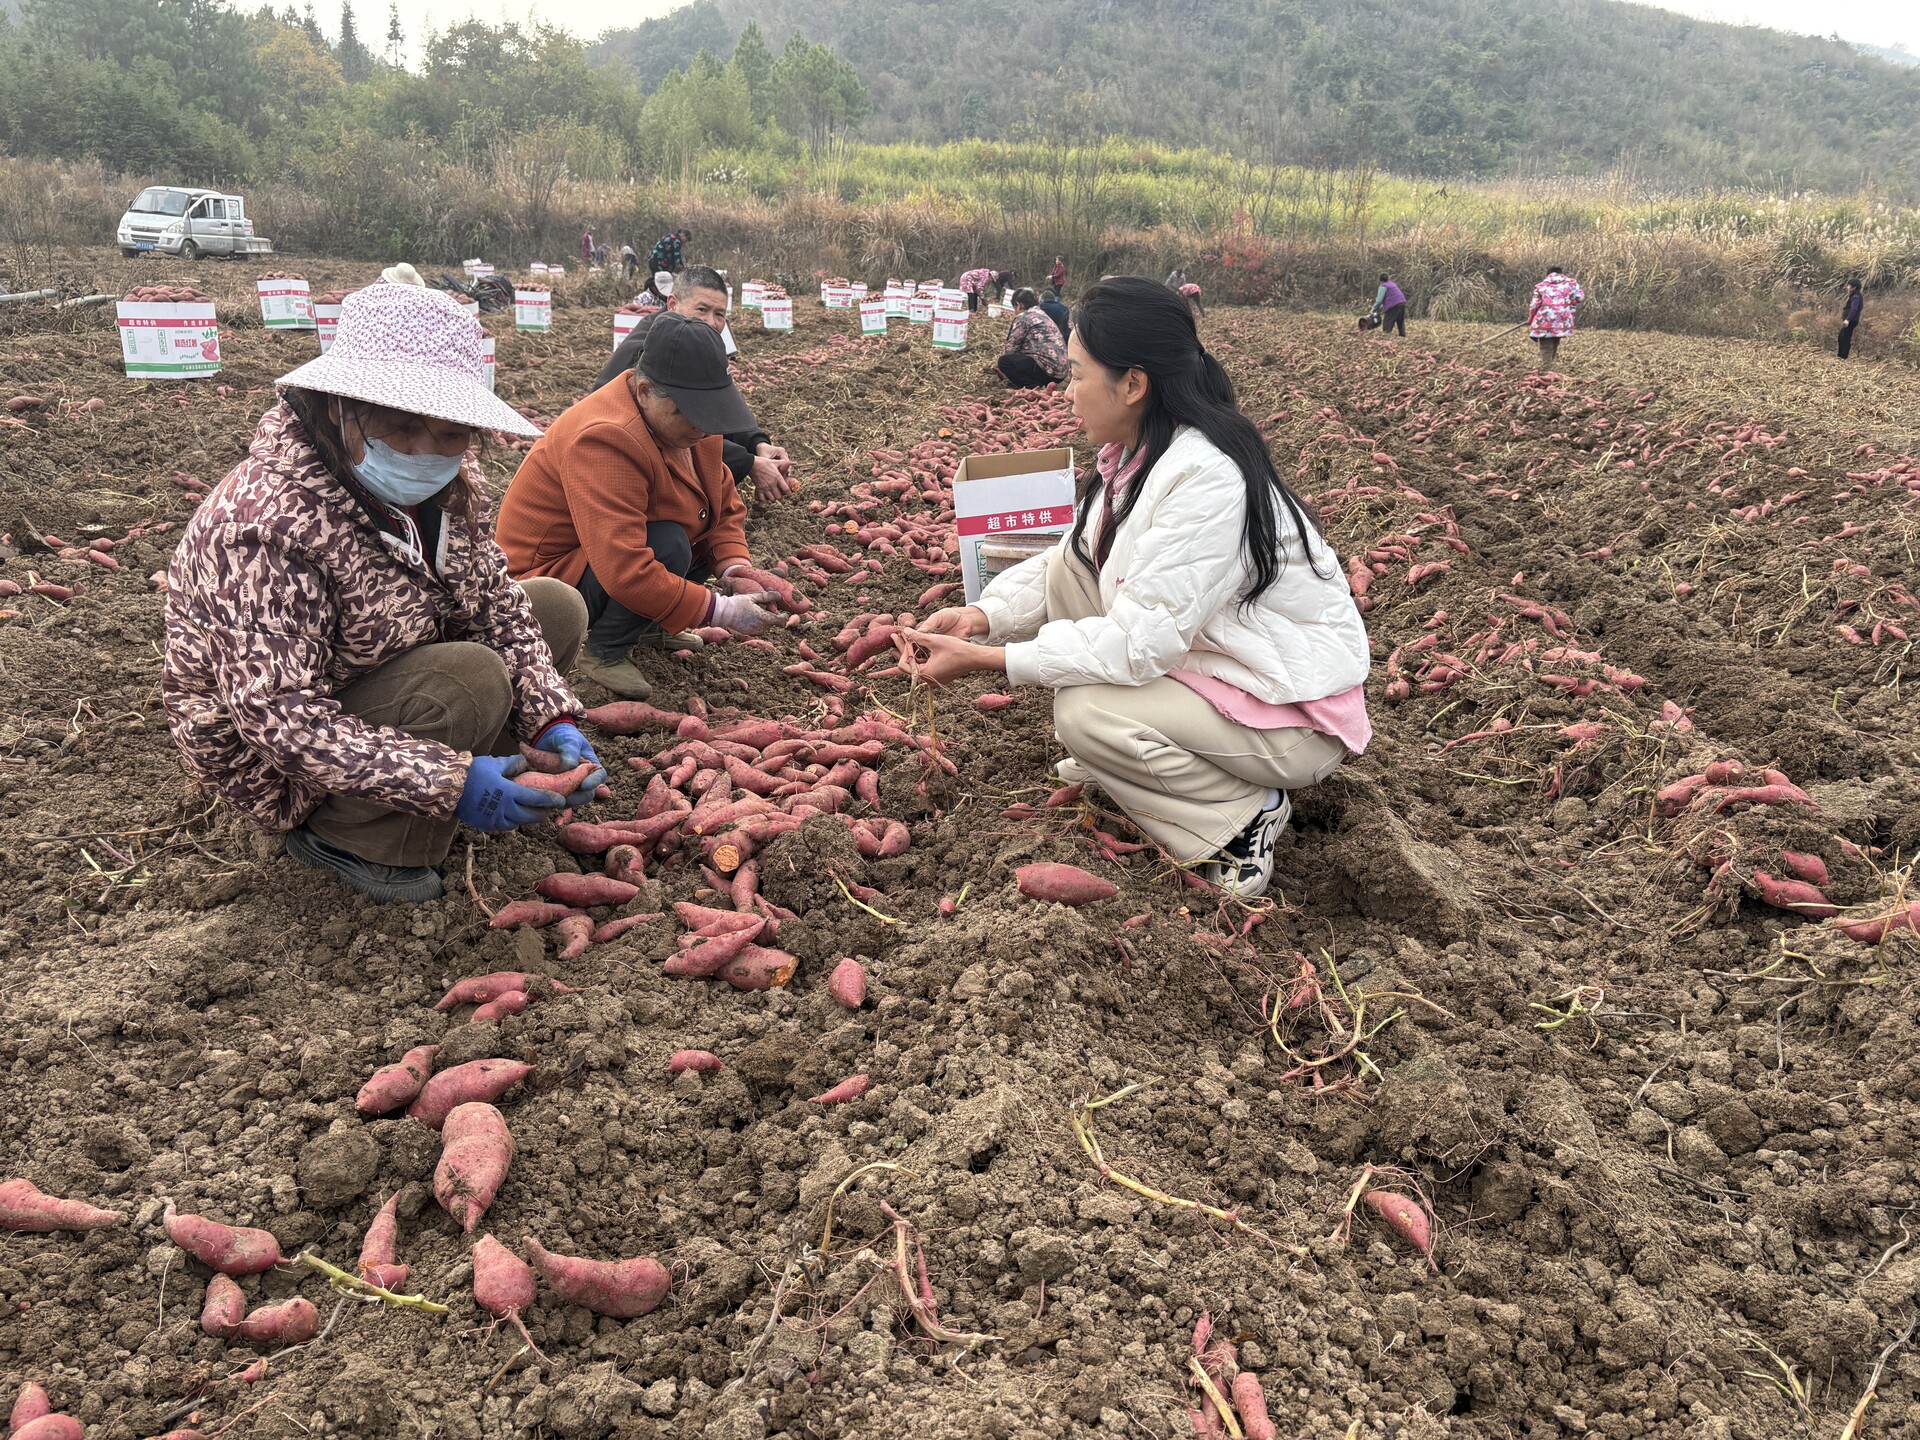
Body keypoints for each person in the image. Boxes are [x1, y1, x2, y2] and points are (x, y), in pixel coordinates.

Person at [894, 277, 1370, 898]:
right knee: (1073, 573)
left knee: (1084, 711)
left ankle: (1242, 818)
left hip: (1290, 715)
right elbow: (1067, 563)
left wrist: (994, 661)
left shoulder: (1205, 477)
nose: (1066, 396)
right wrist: (981, 618)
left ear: (1133, 384)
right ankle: (1133, 766)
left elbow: (1142, 643)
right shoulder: (1139, 454)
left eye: (1075, 375)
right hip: (1219, 664)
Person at [162, 284, 601, 905]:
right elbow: (278, 717)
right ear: (339, 408)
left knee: (554, 607)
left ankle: (499, 772)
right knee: (470, 677)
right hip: (275, 751)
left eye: (450, 433)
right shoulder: (263, 525)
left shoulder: (448, 485)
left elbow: (498, 603)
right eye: (400, 426)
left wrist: (553, 716)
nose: (425, 451)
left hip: (383, 667)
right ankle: (346, 835)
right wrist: (451, 784)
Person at [499, 314, 780, 700]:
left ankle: (648, 625)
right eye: (690, 413)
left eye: (710, 413)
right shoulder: (604, 439)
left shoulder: (691, 430)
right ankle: (603, 650)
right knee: (669, 543)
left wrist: (734, 567)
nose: (702, 428)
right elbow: (624, 567)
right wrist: (722, 611)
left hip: (601, 557)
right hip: (546, 585)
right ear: (645, 390)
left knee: (689, 527)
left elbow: (722, 502)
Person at [595, 264, 797, 503]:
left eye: (719, 314)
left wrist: (758, 444)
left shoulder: (699, 341)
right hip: (617, 466)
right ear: (672, 305)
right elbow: (674, 431)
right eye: (702, 309)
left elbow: (716, 402)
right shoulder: (649, 356)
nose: (712, 322)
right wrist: (748, 463)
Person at [997, 288, 1070, 390]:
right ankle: (1041, 383)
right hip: (1060, 372)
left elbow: (1011, 348)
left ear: (1019, 304)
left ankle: (1033, 386)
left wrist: (1002, 369)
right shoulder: (1041, 314)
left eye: (1015, 307)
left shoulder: (1024, 317)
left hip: (1048, 371)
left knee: (1004, 362)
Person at [1528, 266, 1585, 371]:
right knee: (1555, 340)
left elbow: (1534, 305)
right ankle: (1549, 367)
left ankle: (1546, 368)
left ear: (1548, 274)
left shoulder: (1541, 286)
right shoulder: (1572, 284)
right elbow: (1579, 298)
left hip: (1544, 319)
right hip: (1562, 320)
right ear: (1561, 273)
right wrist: (1569, 302)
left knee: (1545, 344)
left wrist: (1531, 318)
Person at [1372, 273, 1407, 337]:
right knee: (1400, 321)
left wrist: (1373, 310)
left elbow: (1379, 301)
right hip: (1402, 302)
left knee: (1387, 321)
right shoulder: (1392, 284)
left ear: (1380, 280)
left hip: (1394, 305)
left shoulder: (1383, 286)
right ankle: (1402, 336)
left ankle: (1386, 335)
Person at [1839, 279, 1863, 359]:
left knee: (1845, 337)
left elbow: (1854, 309)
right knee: (1842, 336)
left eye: (1849, 286)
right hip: (1850, 320)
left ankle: (1843, 356)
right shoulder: (1854, 295)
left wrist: (1848, 319)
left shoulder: (1856, 297)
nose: (1847, 287)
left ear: (1854, 287)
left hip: (1851, 321)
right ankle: (1841, 355)